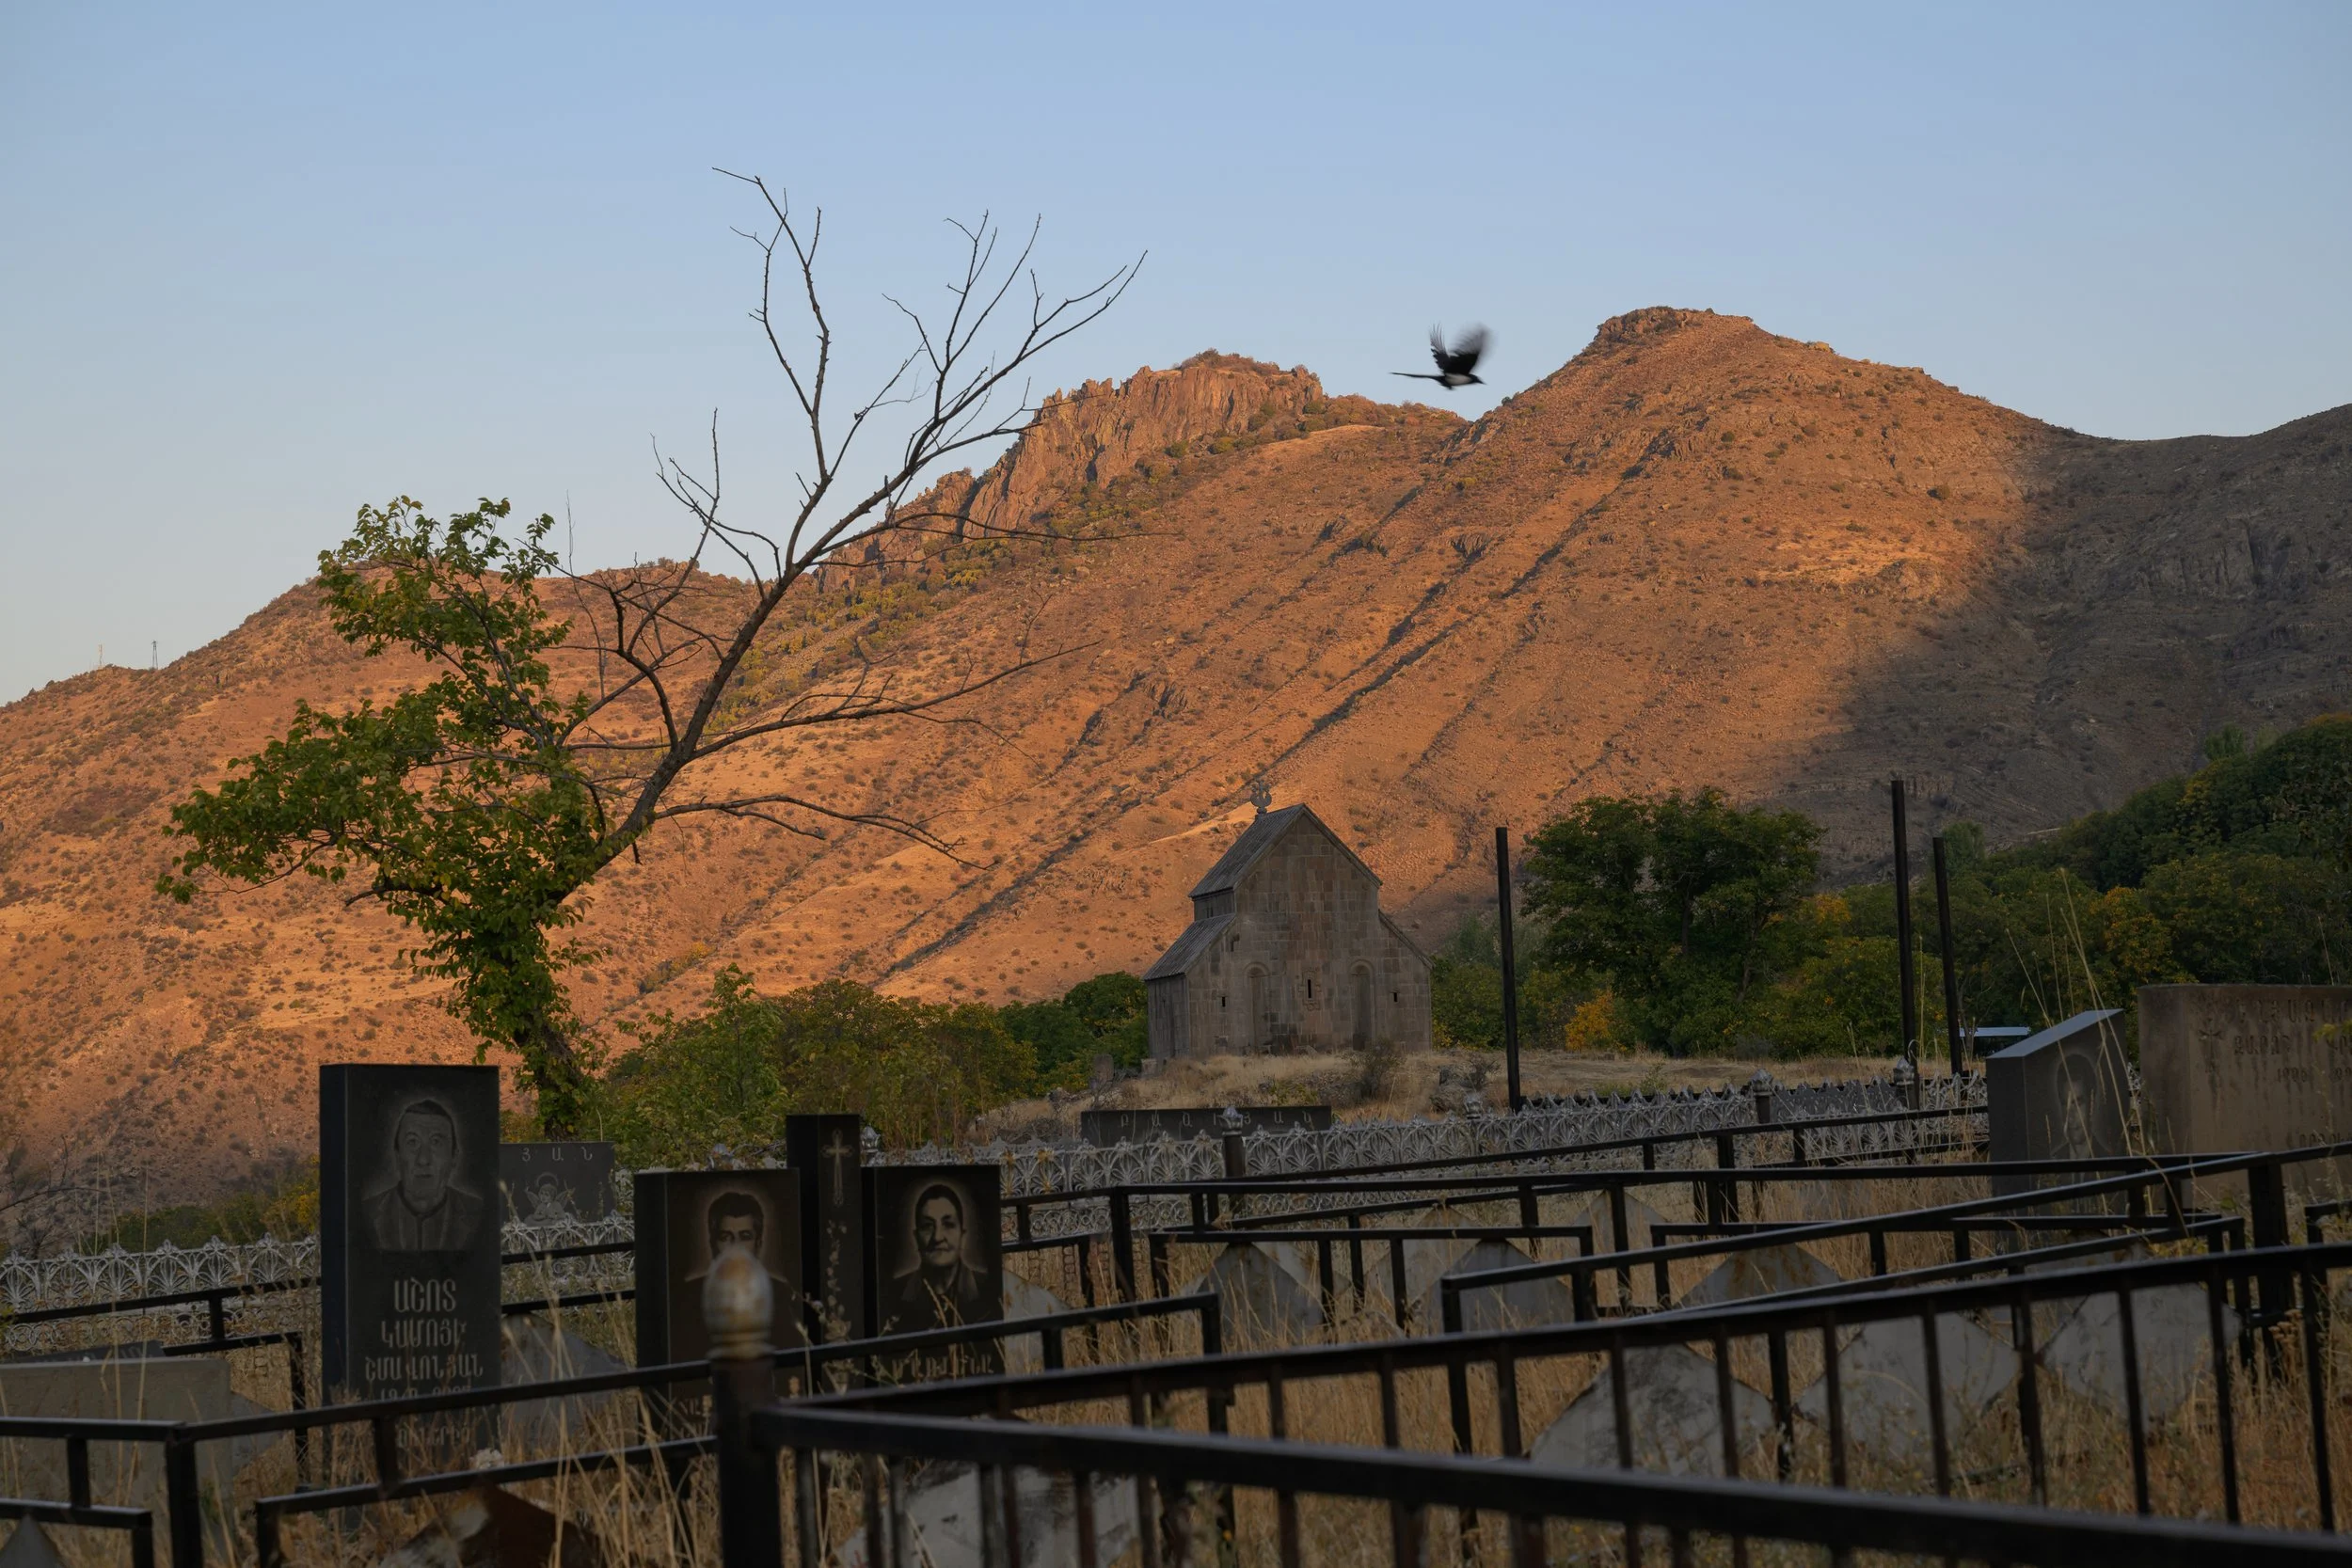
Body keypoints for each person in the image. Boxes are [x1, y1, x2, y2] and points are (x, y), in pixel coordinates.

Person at [363, 1098, 485, 1250]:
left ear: (454, 1156)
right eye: (412, 1142)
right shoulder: (365, 1213)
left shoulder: (480, 1213)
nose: (423, 1159)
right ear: (397, 1155)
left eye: (436, 1142)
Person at [882, 1181, 988, 1333]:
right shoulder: (892, 1293)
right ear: (916, 1237)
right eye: (927, 1226)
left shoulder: (989, 1289)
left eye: (948, 1224)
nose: (937, 1237)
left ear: (962, 1236)